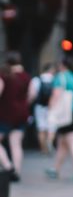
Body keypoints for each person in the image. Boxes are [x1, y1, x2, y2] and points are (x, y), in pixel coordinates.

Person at [46, 57, 73, 182]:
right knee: (63, 142)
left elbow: (56, 95)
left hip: (67, 113)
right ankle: (56, 168)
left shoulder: (62, 77)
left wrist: (51, 110)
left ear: (63, 66)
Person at [0, 52, 33, 182]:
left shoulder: (4, 75)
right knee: (16, 143)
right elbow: (31, 95)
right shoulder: (26, 77)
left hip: (5, 113)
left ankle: (8, 166)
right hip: (22, 114)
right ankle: (17, 171)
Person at [30, 63, 57, 154]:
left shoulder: (37, 80)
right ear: (52, 70)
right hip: (52, 107)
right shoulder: (55, 80)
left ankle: (44, 149)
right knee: (51, 127)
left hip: (40, 107)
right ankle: (49, 141)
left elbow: (32, 94)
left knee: (41, 128)